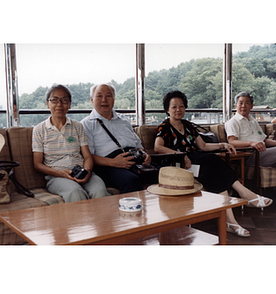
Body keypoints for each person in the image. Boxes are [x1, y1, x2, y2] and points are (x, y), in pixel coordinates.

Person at [154, 90, 273, 237]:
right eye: (174, 107)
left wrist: (223, 145)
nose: (178, 110)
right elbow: (157, 147)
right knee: (211, 161)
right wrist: (181, 155)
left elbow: (203, 146)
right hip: (179, 165)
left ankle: (231, 221)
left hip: (196, 163)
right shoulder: (164, 127)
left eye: (181, 106)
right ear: (167, 109)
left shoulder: (188, 125)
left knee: (214, 169)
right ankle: (245, 196)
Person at [32, 84, 109, 202]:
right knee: (75, 192)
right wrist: (59, 173)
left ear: (69, 104)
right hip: (57, 177)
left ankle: (102, 221)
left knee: (100, 189)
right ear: (48, 103)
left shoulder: (77, 127)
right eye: (54, 100)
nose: (59, 104)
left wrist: (87, 171)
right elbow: (37, 164)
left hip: (81, 172)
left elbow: (87, 156)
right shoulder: (39, 130)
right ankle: (82, 221)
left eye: (64, 100)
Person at [81, 83, 152, 194]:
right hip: (107, 165)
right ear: (92, 100)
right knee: (131, 181)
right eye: (99, 96)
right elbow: (87, 156)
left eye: (108, 96)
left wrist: (144, 154)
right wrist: (113, 162)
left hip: (133, 159)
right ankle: (135, 211)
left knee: (163, 173)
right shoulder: (86, 124)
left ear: (113, 99)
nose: (104, 100)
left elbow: (138, 145)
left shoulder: (123, 119)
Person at [225, 91, 276, 168]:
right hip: (249, 155)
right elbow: (232, 141)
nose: (243, 106)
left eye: (247, 103)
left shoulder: (253, 121)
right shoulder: (233, 122)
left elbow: (264, 140)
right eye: (241, 103)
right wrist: (251, 143)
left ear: (251, 106)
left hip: (263, 152)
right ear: (236, 106)